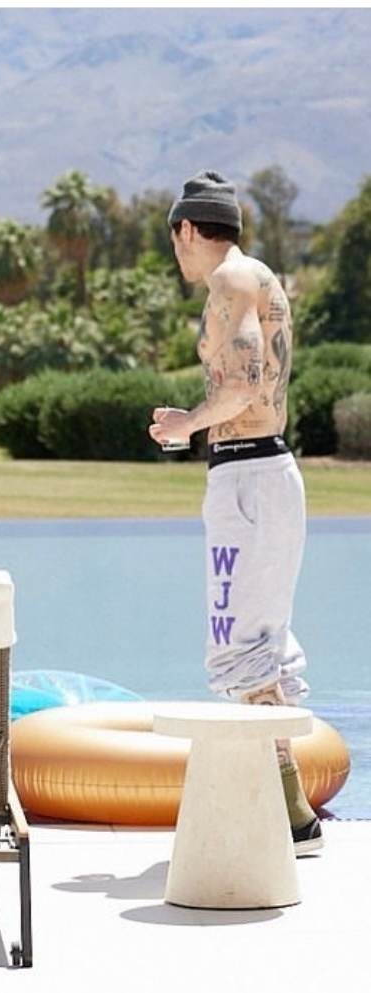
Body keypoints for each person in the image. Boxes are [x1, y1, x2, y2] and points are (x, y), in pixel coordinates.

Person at [149, 169, 322, 854]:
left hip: (245, 477)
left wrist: (185, 423)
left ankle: (290, 820)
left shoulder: (228, 280)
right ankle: (291, 815)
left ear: (188, 229)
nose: (177, 254)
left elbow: (244, 382)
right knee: (265, 648)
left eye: (175, 241)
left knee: (238, 651)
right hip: (273, 471)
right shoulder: (263, 277)